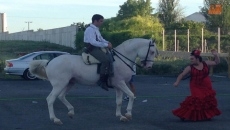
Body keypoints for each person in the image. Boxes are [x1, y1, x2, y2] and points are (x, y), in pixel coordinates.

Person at [172, 49, 221, 121]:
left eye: (192, 59)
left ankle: (207, 115)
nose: (191, 60)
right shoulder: (189, 67)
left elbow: (217, 62)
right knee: (196, 99)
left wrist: (216, 55)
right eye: (190, 59)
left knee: (206, 99)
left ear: (197, 58)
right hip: (195, 85)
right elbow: (182, 75)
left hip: (206, 84)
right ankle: (183, 114)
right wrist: (177, 82)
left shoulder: (205, 63)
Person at [84, 14, 113, 91]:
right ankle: (102, 81)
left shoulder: (96, 29)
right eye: (100, 21)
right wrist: (106, 45)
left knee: (111, 57)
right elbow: (93, 42)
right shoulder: (90, 29)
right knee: (105, 60)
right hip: (92, 48)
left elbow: (101, 39)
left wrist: (108, 42)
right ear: (95, 21)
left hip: (98, 47)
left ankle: (108, 78)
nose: (102, 23)